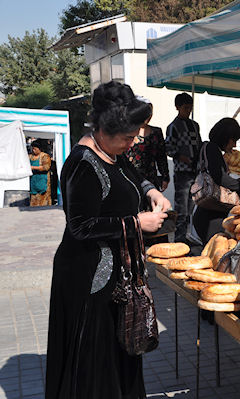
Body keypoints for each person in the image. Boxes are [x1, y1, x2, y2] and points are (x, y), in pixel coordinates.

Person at [45, 81, 170, 399]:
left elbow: (130, 173)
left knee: (119, 356)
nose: (134, 142)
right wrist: (137, 222)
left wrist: (151, 190)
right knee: (95, 361)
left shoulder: (112, 151)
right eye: (129, 137)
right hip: (89, 279)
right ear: (103, 131)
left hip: (117, 277)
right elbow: (81, 226)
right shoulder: (81, 164)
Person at [192, 118, 240, 245]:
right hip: (210, 218)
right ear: (225, 137)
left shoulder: (208, 148)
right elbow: (221, 178)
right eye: (233, 140)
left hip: (207, 214)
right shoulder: (212, 149)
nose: (234, 145)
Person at [165, 92, 201, 243]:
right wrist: (182, 158)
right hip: (182, 172)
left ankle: (189, 236)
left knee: (193, 206)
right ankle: (179, 240)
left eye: (190, 108)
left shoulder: (195, 125)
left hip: (195, 171)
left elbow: (198, 144)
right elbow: (168, 148)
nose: (189, 111)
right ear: (177, 107)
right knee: (181, 209)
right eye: (186, 108)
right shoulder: (173, 127)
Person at [126, 99, 170, 192]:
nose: (148, 117)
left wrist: (165, 176)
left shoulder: (156, 132)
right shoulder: (128, 131)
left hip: (150, 177)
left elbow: (161, 156)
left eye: (150, 113)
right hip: (131, 177)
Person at [29, 140, 52, 206]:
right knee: (34, 202)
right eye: (32, 149)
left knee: (43, 203)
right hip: (34, 182)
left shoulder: (45, 156)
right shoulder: (30, 156)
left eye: (35, 149)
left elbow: (46, 167)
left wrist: (33, 167)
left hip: (43, 182)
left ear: (40, 148)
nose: (33, 150)